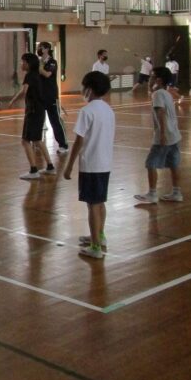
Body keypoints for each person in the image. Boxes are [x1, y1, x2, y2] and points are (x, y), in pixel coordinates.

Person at [62, 71, 115, 260]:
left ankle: (95, 247)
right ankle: (99, 236)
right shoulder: (108, 110)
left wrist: (69, 166)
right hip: (105, 163)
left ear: (89, 89)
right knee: (99, 202)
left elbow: (79, 141)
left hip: (91, 165)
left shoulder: (87, 111)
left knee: (92, 205)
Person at [134, 67, 184, 204]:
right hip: (174, 135)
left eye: (152, 76)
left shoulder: (157, 94)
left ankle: (152, 194)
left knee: (151, 163)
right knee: (174, 164)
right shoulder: (167, 93)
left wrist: (162, 134)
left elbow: (160, 112)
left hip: (165, 134)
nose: (149, 79)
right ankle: (177, 193)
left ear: (159, 80)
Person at [8, 52, 55, 180]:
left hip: (33, 111)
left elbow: (24, 91)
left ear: (28, 64)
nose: (21, 64)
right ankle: (50, 167)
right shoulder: (37, 75)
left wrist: (12, 100)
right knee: (37, 140)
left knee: (25, 141)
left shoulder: (29, 75)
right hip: (39, 110)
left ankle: (34, 170)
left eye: (23, 62)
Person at [38, 42, 69, 154]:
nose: (39, 49)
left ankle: (63, 145)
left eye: (41, 48)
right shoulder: (39, 62)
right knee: (38, 120)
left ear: (47, 49)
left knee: (55, 121)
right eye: (38, 48)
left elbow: (47, 74)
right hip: (40, 96)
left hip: (51, 95)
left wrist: (39, 67)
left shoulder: (52, 62)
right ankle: (37, 142)